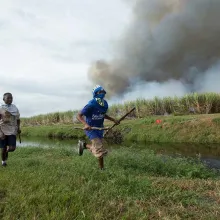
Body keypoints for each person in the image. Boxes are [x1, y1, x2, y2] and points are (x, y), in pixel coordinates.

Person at [77, 85, 119, 170]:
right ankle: (102, 169)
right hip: (91, 129)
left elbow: (103, 114)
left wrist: (113, 120)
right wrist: (86, 124)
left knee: (99, 147)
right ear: (95, 93)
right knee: (99, 148)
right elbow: (79, 115)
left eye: (103, 92)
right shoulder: (91, 104)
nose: (102, 94)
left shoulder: (105, 104)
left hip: (100, 128)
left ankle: (84, 145)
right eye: (100, 92)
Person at [0, 93, 21, 167]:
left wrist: (18, 127)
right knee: (3, 148)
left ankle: (6, 152)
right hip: (2, 130)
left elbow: (18, 119)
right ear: (3, 99)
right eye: (8, 98)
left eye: (11, 98)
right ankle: (3, 162)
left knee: (12, 148)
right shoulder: (1, 108)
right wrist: (0, 132)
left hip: (12, 130)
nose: (10, 99)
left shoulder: (15, 108)